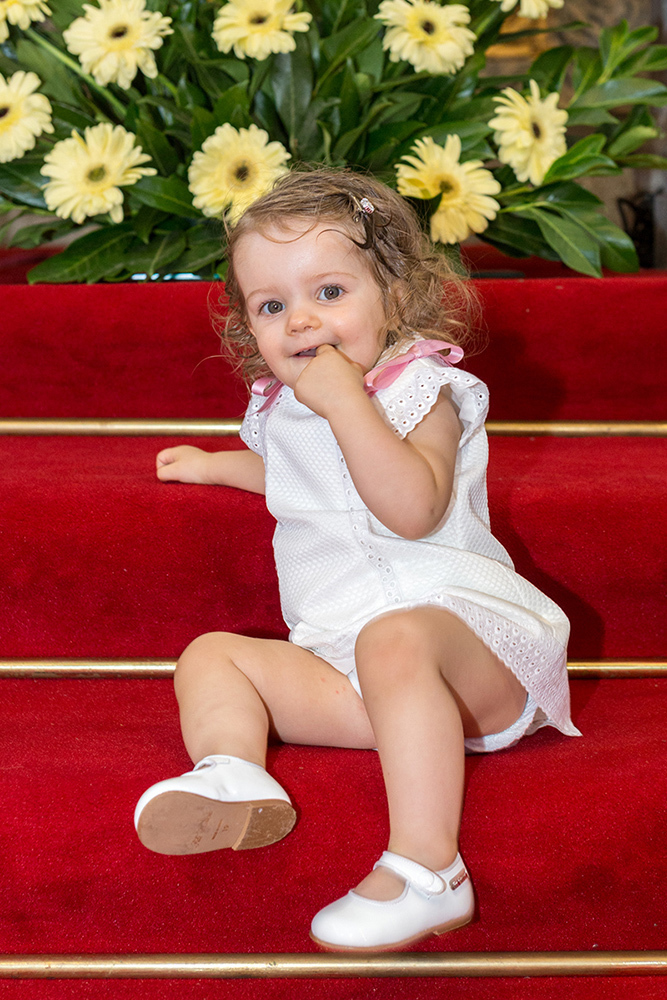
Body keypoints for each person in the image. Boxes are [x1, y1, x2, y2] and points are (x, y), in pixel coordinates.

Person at [134, 169, 580, 952]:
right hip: (350, 667)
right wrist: (217, 464)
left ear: (395, 297)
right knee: (212, 656)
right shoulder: (281, 407)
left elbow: (411, 509)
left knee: (395, 638)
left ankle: (427, 871)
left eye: (329, 292)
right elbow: (294, 480)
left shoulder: (422, 390)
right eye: (272, 306)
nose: (300, 318)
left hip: (466, 655)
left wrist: (346, 403)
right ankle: (232, 771)